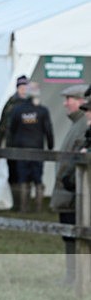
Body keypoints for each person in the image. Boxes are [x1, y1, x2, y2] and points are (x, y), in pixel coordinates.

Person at [50, 84, 89, 284]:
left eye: (69, 99)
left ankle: (78, 276)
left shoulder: (83, 125)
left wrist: (69, 180)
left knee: (77, 236)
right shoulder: (77, 123)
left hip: (75, 192)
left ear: (82, 101)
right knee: (69, 235)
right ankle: (72, 275)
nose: (65, 104)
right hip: (68, 192)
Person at [8, 82, 53, 212]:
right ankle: (38, 208)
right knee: (38, 179)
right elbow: (48, 130)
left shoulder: (18, 110)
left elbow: (12, 129)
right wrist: (51, 146)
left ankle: (23, 207)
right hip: (37, 149)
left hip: (21, 149)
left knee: (23, 178)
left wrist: (13, 146)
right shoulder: (42, 111)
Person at [0, 75, 30, 210]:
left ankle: (24, 205)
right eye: (21, 87)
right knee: (13, 174)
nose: (23, 89)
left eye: (25, 86)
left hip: (28, 145)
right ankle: (17, 203)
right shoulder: (11, 103)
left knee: (25, 174)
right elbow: (2, 124)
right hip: (12, 143)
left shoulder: (32, 104)